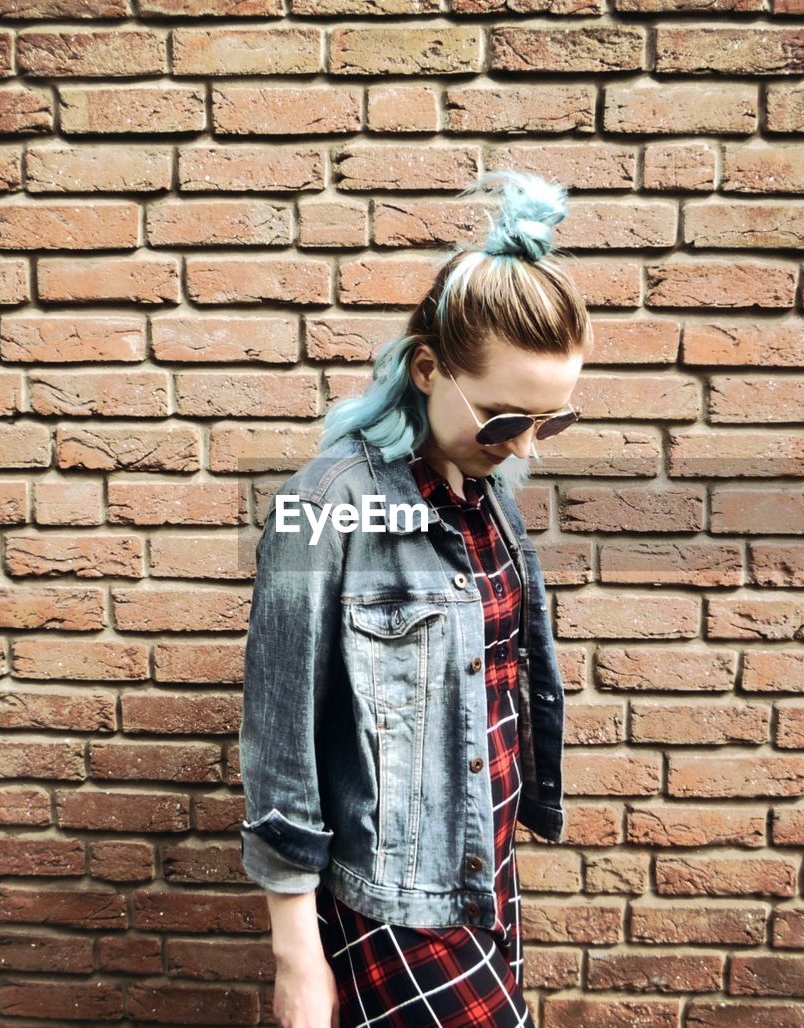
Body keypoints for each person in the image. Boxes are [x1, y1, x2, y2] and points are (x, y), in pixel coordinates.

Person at [239, 169, 590, 1028]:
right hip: (393, 902)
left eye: (553, 423)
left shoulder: (482, 493)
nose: (527, 451)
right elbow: (280, 732)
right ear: (429, 369)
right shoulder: (323, 504)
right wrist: (296, 954)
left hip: (481, 874)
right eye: (507, 422)